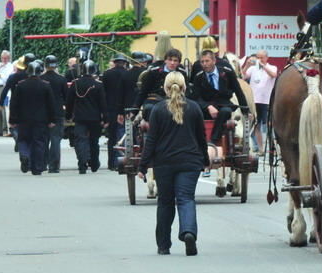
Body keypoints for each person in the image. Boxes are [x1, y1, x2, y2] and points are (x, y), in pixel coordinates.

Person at [139, 71, 208, 256]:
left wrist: (142, 166)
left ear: (165, 88)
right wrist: (205, 160)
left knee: (165, 202)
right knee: (186, 199)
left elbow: (151, 141)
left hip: (164, 163)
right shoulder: (194, 108)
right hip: (190, 161)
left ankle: (163, 245)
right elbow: (201, 138)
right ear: (185, 87)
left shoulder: (158, 110)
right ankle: (188, 232)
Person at [190, 50, 249, 148]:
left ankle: (213, 140)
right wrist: (208, 106)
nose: (204, 64)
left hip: (224, 105)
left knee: (225, 111)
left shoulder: (227, 73)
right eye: (202, 62)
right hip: (205, 108)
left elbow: (239, 92)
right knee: (194, 113)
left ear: (214, 61)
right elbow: (196, 98)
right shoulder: (198, 77)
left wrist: (246, 111)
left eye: (207, 61)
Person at [9, 60, 56, 175]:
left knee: (23, 140)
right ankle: (37, 167)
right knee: (39, 142)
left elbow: (14, 104)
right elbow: (51, 104)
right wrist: (52, 119)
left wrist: (12, 119)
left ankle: (25, 155)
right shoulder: (45, 85)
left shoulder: (20, 85)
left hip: (23, 118)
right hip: (41, 119)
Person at [66, 60, 107, 173]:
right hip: (95, 118)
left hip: (80, 117)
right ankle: (94, 163)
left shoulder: (76, 84)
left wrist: (68, 115)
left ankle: (82, 162)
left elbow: (69, 101)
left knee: (80, 140)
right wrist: (105, 118)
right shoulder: (98, 85)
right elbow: (103, 103)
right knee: (94, 141)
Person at [102, 53, 137, 170]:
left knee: (112, 137)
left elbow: (104, 94)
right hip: (125, 109)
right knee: (124, 136)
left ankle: (111, 163)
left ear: (115, 62)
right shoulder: (128, 74)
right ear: (125, 63)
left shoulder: (107, 74)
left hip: (111, 109)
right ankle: (122, 161)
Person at [136, 49, 189, 121]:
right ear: (165, 60)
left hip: (176, 101)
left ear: (179, 62)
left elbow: (186, 91)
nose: (172, 63)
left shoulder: (182, 73)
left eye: (175, 60)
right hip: (155, 101)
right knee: (149, 109)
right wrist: (135, 109)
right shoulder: (154, 72)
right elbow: (143, 92)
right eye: (170, 60)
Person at [243, 50, 277, 155]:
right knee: (256, 125)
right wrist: (247, 65)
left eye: (262, 57)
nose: (259, 60)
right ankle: (261, 149)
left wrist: (263, 66)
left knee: (268, 125)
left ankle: (272, 148)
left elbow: (273, 75)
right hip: (255, 101)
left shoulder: (272, 67)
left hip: (267, 101)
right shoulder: (253, 69)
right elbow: (243, 76)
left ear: (267, 58)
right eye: (258, 57)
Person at [41, 55, 68, 172]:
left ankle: (42, 163)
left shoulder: (41, 79)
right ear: (56, 65)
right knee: (56, 139)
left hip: (43, 112)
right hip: (57, 112)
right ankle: (54, 166)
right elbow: (66, 97)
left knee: (43, 139)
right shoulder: (61, 79)